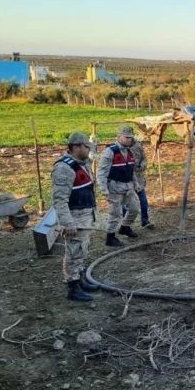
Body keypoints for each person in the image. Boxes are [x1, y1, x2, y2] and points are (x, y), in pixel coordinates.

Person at [51, 131, 100, 302]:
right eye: (87, 147)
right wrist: (67, 223)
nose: (89, 150)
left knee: (82, 251)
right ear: (76, 147)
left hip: (85, 217)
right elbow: (59, 200)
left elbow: (92, 158)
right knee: (74, 253)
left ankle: (79, 280)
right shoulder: (64, 168)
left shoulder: (82, 163)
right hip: (74, 219)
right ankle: (72, 288)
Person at [97, 125, 140, 247]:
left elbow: (131, 170)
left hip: (128, 186)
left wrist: (136, 184)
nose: (129, 140)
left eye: (130, 137)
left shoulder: (130, 152)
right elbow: (102, 172)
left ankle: (125, 227)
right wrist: (103, 189)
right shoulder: (110, 152)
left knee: (134, 209)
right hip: (114, 188)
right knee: (115, 213)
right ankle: (110, 238)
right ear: (119, 137)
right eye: (126, 137)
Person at [124, 137, 154, 229]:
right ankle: (125, 225)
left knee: (144, 202)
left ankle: (145, 221)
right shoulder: (120, 148)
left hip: (139, 179)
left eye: (130, 136)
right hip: (126, 180)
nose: (129, 139)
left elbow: (144, 159)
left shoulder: (138, 146)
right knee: (125, 205)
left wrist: (142, 166)